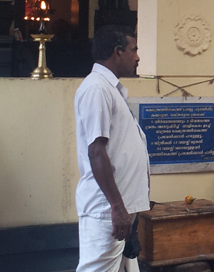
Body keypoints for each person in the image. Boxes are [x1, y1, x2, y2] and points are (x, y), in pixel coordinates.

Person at [75, 25, 149, 272]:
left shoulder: (109, 88)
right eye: (133, 50)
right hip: (108, 209)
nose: (137, 57)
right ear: (118, 52)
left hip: (121, 207)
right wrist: (117, 208)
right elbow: (96, 152)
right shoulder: (96, 88)